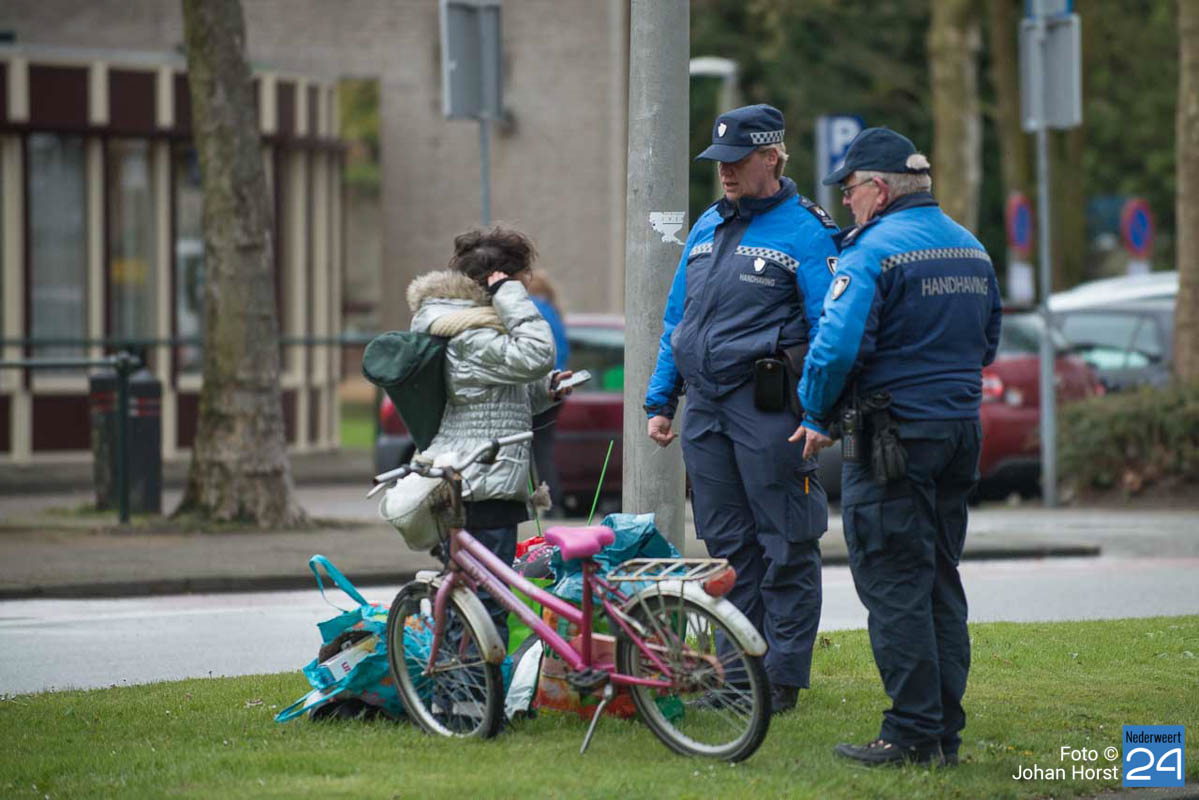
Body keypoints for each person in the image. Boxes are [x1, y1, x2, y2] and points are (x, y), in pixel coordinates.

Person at [793, 127, 1002, 765]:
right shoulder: (970, 247)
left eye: (851, 189)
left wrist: (815, 411)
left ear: (879, 190)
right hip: (959, 431)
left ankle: (910, 733)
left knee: (893, 582)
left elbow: (835, 347)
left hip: (891, 439)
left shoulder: (873, 251)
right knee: (939, 579)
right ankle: (942, 734)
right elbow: (988, 343)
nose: (845, 201)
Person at [643, 104, 838, 713]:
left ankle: (780, 678)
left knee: (786, 542)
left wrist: (819, 412)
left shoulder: (808, 230)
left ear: (772, 157)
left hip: (768, 406)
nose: (724, 171)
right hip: (705, 409)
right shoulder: (708, 223)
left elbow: (829, 327)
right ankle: (735, 675)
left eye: (737, 160)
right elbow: (677, 320)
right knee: (729, 548)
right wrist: (661, 398)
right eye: (718, 161)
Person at [406, 226, 574, 645]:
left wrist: (546, 392)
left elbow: (497, 400)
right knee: (485, 602)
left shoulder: (473, 327)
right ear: (500, 280)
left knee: (481, 597)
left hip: (488, 474)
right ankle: (468, 687)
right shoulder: (468, 332)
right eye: (520, 279)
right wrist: (511, 295)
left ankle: (468, 685)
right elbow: (538, 353)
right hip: (479, 481)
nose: (525, 286)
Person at [527, 270, 570, 515]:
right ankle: (554, 501)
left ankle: (547, 502)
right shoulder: (552, 311)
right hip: (557, 385)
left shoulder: (531, 309)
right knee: (543, 446)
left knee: (533, 448)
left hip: (540, 384)